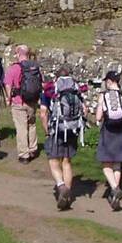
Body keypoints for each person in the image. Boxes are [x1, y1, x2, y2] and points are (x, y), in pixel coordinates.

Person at [41, 66, 86, 209]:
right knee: (67, 162)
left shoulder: (51, 91)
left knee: (53, 161)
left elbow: (43, 113)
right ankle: (68, 194)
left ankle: (61, 187)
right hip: (72, 129)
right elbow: (84, 110)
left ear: (56, 78)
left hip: (56, 130)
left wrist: (47, 130)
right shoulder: (76, 90)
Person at [94, 70, 122, 211]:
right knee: (117, 164)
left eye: (106, 81)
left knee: (106, 165)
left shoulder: (103, 96)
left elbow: (98, 117)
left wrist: (100, 109)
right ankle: (115, 196)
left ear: (110, 81)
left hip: (109, 132)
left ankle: (115, 188)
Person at [3, 45, 43, 163]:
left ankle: (24, 154)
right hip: (32, 101)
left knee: (21, 128)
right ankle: (33, 149)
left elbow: (8, 84)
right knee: (31, 124)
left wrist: (8, 98)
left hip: (18, 101)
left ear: (18, 54)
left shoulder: (13, 68)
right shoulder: (34, 67)